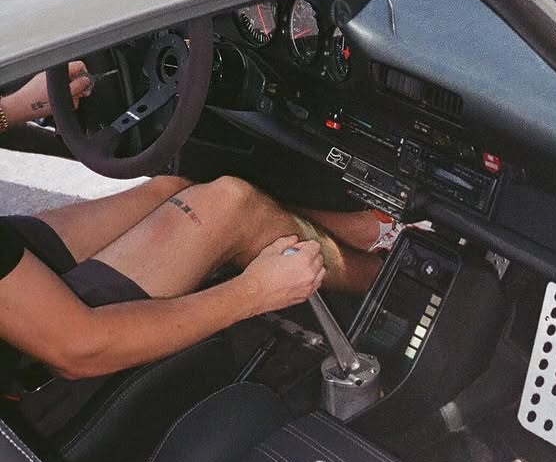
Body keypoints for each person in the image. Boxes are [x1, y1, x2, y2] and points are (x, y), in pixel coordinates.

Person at [0, 65, 387, 382]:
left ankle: (360, 233)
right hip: (26, 362)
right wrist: (253, 292)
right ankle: (386, 280)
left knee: (172, 190)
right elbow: (77, 350)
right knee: (232, 202)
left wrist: (11, 109)